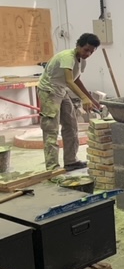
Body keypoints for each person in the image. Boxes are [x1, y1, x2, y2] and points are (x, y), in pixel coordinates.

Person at [37, 33, 102, 171]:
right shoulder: (67, 57)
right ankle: (52, 166)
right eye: (86, 50)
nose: (88, 53)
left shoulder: (82, 60)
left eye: (91, 51)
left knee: (71, 125)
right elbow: (69, 80)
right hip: (49, 90)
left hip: (61, 90)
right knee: (51, 129)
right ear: (78, 45)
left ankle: (71, 161)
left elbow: (76, 79)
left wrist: (90, 98)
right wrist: (83, 99)